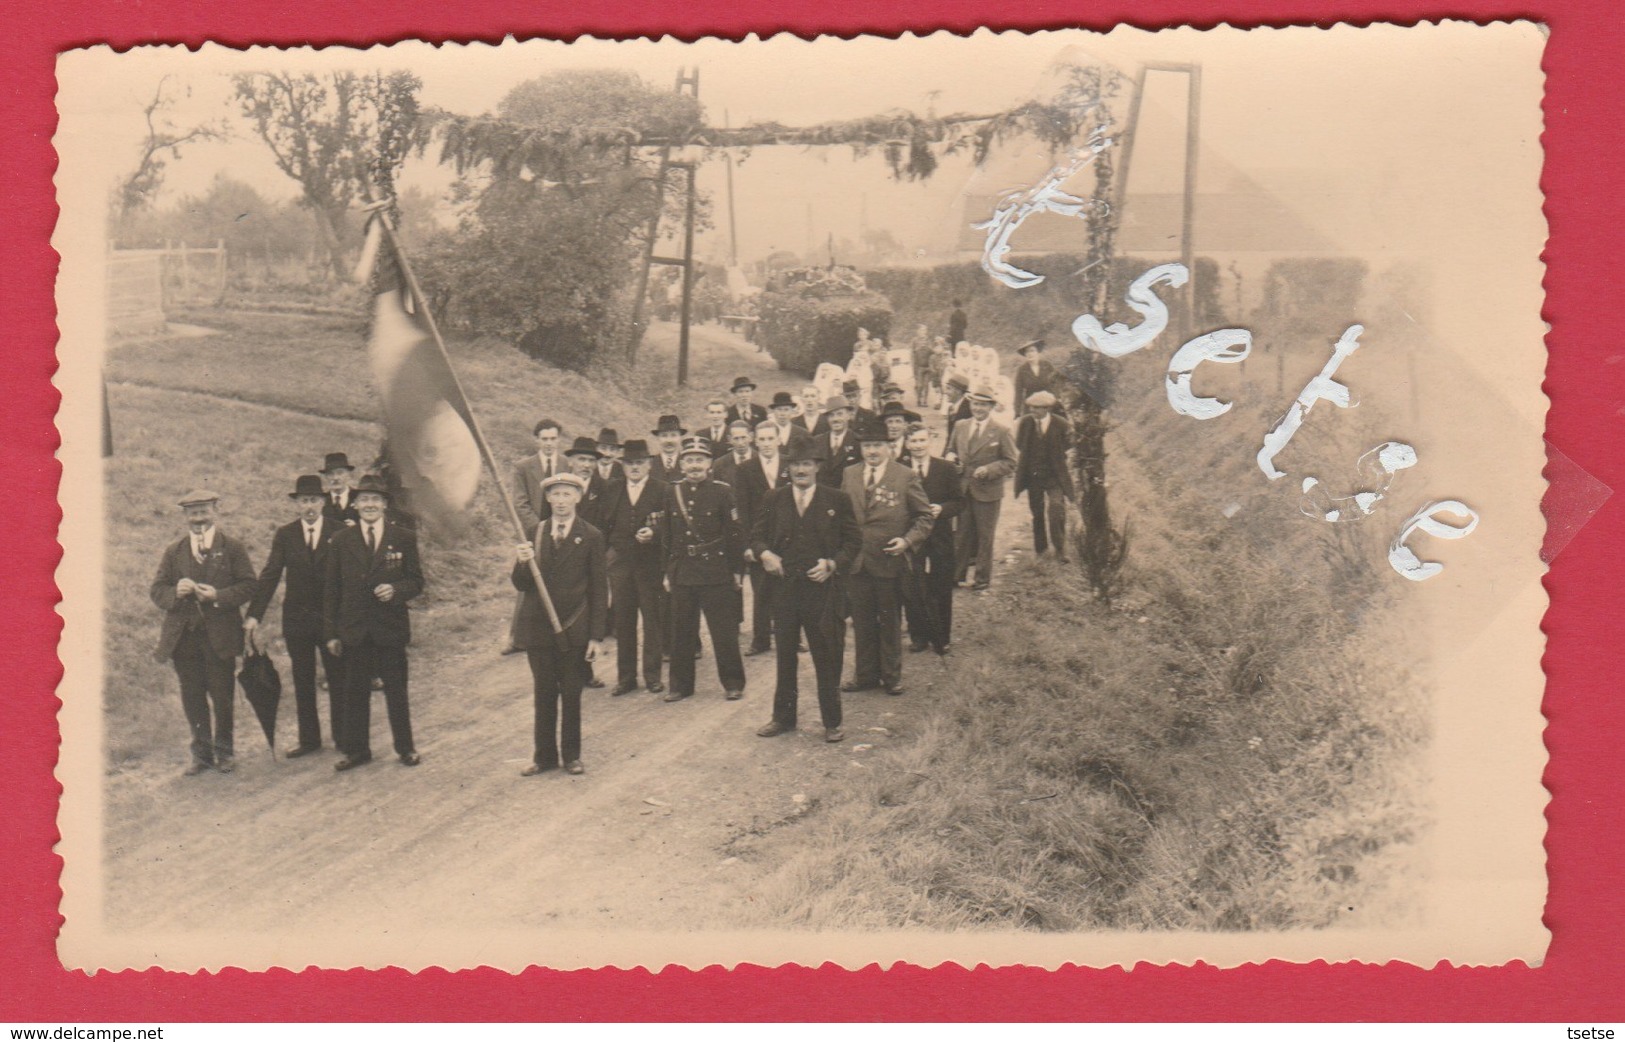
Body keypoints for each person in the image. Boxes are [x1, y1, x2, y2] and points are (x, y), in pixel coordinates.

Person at [751, 435, 861, 743]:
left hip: (821, 593)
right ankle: (782, 718)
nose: (801, 470)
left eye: (807, 464)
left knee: (825, 655)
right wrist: (765, 554)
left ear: (817, 468)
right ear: (788, 469)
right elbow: (756, 536)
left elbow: (853, 542)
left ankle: (832, 722)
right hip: (784, 591)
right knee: (785, 655)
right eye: (796, 464)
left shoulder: (836, 500)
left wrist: (832, 564)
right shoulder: (773, 498)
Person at [150, 488, 258, 776]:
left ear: (215, 511)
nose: (199, 518)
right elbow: (157, 590)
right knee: (192, 695)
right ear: (185, 516)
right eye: (192, 512)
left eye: (204, 511)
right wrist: (176, 591)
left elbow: (249, 585)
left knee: (222, 696)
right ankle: (202, 754)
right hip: (184, 638)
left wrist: (218, 595)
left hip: (220, 636)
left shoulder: (232, 547)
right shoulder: (174, 551)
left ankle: (225, 752)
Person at [325, 476, 425, 770]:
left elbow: (417, 581)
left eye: (375, 500)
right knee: (354, 692)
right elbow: (332, 590)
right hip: (355, 629)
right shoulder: (341, 540)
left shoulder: (404, 537)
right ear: (355, 505)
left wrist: (396, 590)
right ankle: (357, 750)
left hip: (389, 627)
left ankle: (405, 748)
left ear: (384, 505)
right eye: (364, 500)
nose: (369, 505)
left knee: (396, 689)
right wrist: (331, 632)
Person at [513, 472, 609, 777]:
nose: (562, 501)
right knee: (543, 692)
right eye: (556, 494)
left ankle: (571, 756)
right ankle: (544, 757)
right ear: (548, 499)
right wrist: (522, 561)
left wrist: (596, 636)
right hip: (539, 628)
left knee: (571, 692)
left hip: (574, 627)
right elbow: (521, 584)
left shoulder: (591, 535)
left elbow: (598, 588)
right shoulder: (535, 532)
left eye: (568, 494)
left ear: (578, 498)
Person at [245, 474, 344, 758]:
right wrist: (254, 615)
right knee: (303, 678)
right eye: (303, 501)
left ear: (323, 502)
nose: (309, 506)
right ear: (296, 505)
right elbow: (270, 575)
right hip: (297, 619)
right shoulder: (285, 535)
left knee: (337, 676)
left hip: (330, 619)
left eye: (314, 500)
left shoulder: (339, 531)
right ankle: (309, 739)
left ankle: (342, 735)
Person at [840, 420, 934, 697]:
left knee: (890, 619)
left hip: (889, 561)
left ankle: (892, 676)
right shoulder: (849, 473)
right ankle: (865, 674)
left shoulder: (904, 475)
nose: (872, 451)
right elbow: (842, 515)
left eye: (878, 446)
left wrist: (906, 541)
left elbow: (925, 516)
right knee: (861, 620)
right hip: (858, 561)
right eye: (867, 446)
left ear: (889, 447)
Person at [660, 436, 746, 702]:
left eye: (700, 459)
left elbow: (734, 534)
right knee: (681, 631)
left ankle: (733, 682)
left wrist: (736, 570)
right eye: (689, 460)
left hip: (715, 570)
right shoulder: (672, 492)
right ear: (682, 464)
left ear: (709, 463)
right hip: (683, 570)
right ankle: (680, 685)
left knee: (723, 630)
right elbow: (667, 535)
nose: (694, 465)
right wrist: (667, 571)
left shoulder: (722, 492)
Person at [602, 439, 668, 696]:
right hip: (620, 565)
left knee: (652, 619)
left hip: (650, 565)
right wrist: (609, 554)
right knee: (623, 621)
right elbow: (605, 523)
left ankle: (652, 676)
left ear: (649, 465)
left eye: (639, 463)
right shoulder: (613, 489)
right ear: (623, 466)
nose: (634, 468)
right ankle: (626, 678)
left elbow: (669, 525)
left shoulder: (661, 489)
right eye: (629, 463)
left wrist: (654, 533)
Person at [947, 384, 1019, 591]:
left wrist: (988, 469)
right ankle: (956, 575)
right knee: (961, 534)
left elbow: (1010, 462)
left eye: (983, 405)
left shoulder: (1001, 431)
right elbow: (950, 450)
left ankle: (981, 579)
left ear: (991, 407)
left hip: (988, 492)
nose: (977, 409)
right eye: (975, 404)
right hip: (963, 489)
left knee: (985, 535)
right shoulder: (960, 426)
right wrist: (952, 460)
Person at [899, 424, 963, 654]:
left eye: (922, 440)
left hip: (940, 536)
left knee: (941, 584)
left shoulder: (945, 468)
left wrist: (942, 509)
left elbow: (959, 501)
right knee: (912, 585)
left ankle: (941, 637)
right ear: (906, 444)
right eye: (913, 441)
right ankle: (918, 636)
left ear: (930, 442)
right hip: (912, 536)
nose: (918, 446)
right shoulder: (899, 468)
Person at [732, 421, 789, 656]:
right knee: (761, 589)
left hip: (788, 537)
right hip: (760, 538)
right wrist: (746, 545)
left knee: (788, 590)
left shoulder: (790, 464)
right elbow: (742, 510)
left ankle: (790, 636)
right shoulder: (746, 468)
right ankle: (761, 639)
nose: (766, 444)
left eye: (770, 439)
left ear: (778, 440)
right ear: (755, 441)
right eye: (762, 439)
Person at [1014, 390, 1076, 561]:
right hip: (1033, 475)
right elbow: (1019, 444)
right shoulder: (1026, 422)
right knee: (1037, 512)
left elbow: (1070, 445)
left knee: (1056, 509)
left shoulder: (1061, 424)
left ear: (1047, 408)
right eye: (1031, 407)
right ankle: (1041, 550)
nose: (1032, 411)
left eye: (1037, 408)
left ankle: (1060, 548)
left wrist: (1059, 457)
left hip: (1055, 476)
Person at [513, 419, 564, 539]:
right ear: (537, 440)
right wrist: (539, 528)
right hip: (533, 531)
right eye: (544, 439)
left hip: (561, 530)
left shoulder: (567, 464)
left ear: (559, 439)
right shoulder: (523, 467)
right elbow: (520, 503)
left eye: (553, 439)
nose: (549, 443)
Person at [817, 396, 863, 487]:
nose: (835, 419)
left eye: (839, 414)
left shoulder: (858, 442)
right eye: (831, 415)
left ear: (848, 416)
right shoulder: (817, 441)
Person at [1012, 339, 1065, 416]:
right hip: (1031, 407)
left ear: (1038, 352)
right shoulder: (1022, 370)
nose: (1029, 354)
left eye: (1032, 351)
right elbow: (1018, 393)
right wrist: (1017, 413)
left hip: (1048, 404)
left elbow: (1056, 383)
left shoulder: (1047, 365)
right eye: (1027, 352)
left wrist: (1056, 398)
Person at [711, 419, 755, 488]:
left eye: (743, 437)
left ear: (751, 437)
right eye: (736, 438)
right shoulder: (719, 464)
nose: (740, 443)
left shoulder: (760, 459)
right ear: (729, 439)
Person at [320, 452, 360, 527]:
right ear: (326, 477)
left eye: (340, 473)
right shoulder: (321, 501)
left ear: (348, 474)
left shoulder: (358, 497)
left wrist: (357, 528)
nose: (335, 478)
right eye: (331, 474)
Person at [651, 414, 688, 484]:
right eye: (664, 435)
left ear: (680, 437)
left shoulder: (687, 463)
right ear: (658, 438)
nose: (669, 440)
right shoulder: (650, 464)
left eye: (673, 435)